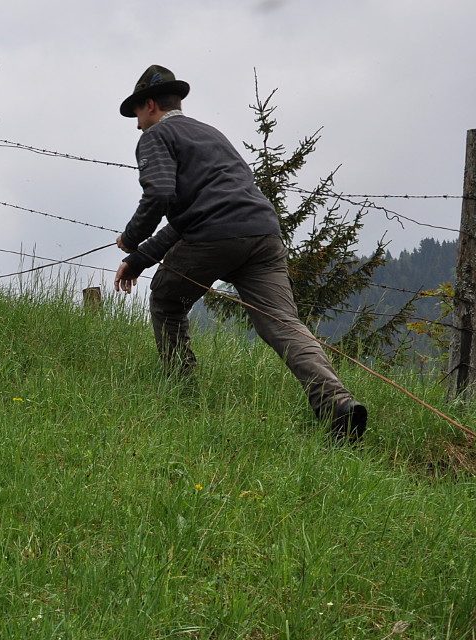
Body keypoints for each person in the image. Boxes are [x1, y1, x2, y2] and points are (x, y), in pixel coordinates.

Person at [113, 65, 367, 441]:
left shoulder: (156, 135)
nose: (136, 124)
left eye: (137, 113)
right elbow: (190, 215)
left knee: (166, 300)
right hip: (263, 232)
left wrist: (131, 239)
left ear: (150, 105)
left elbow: (161, 195)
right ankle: (337, 404)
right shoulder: (211, 134)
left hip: (215, 235)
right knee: (283, 323)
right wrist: (139, 259)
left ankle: (180, 397)